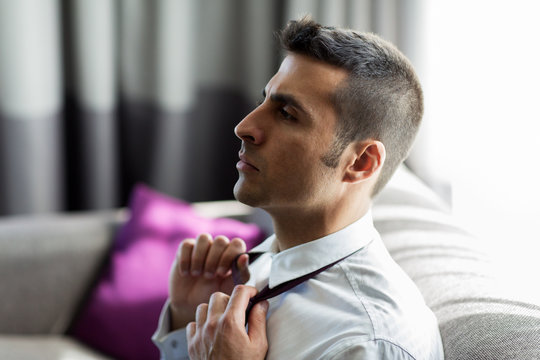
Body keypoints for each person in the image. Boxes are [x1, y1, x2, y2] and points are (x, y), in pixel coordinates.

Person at [153, 17, 444, 359]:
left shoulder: (366, 342)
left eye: (287, 114)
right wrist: (188, 321)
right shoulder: (262, 265)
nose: (244, 127)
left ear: (361, 162)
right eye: (265, 101)